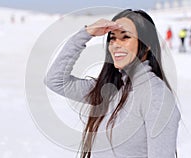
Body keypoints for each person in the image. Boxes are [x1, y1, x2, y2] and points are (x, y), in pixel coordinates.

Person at [45, 9, 180, 158]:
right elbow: (55, 80)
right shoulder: (108, 90)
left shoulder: (156, 96)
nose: (115, 45)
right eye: (112, 38)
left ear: (146, 45)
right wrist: (87, 33)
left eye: (125, 37)